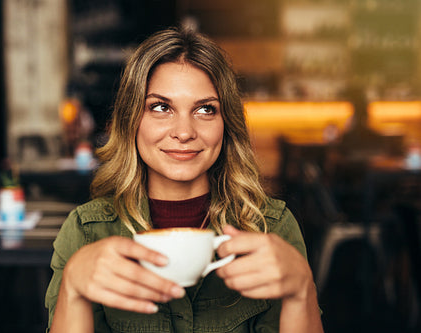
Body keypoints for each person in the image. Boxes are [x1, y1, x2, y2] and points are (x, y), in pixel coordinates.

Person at [45, 27, 323, 333]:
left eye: (205, 109)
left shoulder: (272, 227)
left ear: (226, 123)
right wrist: (73, 288)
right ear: (131, 120)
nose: (184, 131)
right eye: (161, 107)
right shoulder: (86, 232)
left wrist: (302, 291)